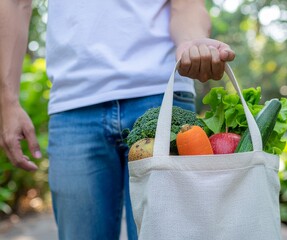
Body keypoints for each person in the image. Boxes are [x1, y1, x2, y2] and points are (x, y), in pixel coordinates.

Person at [0, 0, 235, 239]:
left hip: (162, 94)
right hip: (73, 103)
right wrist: (7, 101)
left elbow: (186, 5)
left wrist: (192, 43)